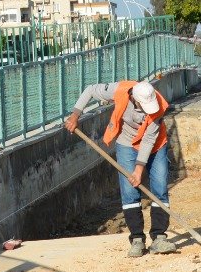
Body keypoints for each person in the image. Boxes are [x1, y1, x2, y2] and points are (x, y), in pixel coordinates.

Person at [64, 78, 174, 257]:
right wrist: (75, 115)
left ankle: (159, 237)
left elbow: (148, 140)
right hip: (127, 143)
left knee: (160, 187)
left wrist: (139, 169)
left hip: (155, 144)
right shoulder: (121, 90)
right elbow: (90, 89)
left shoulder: (158, 106)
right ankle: (137, 239)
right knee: (130, 192)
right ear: (135, 99)